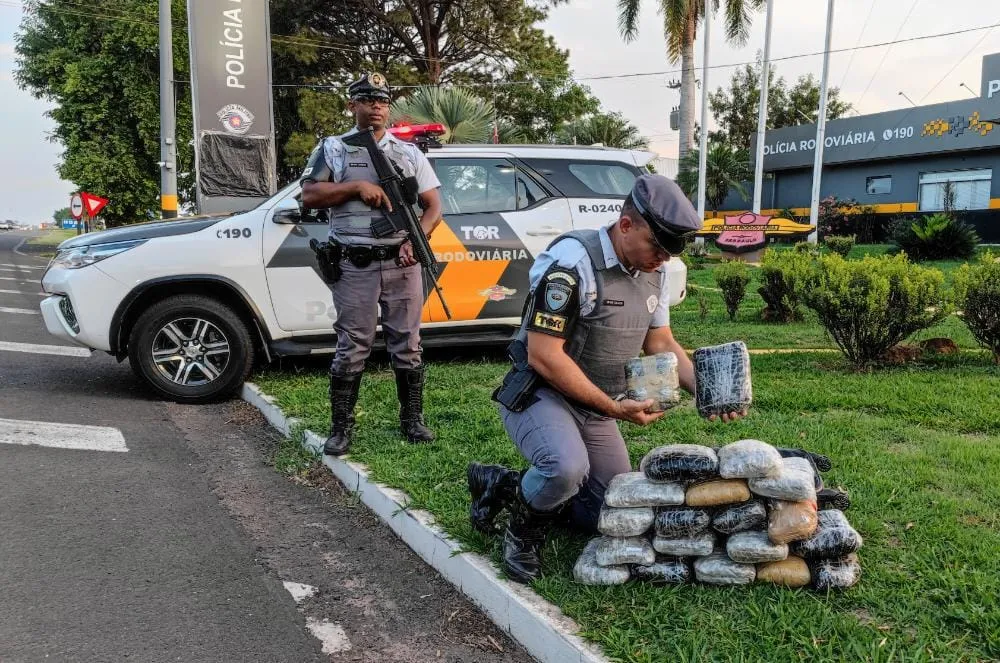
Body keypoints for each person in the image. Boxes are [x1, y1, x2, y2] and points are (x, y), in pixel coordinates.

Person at [467, 174, 747, 584]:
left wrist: (708, 391)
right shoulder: (570, 263)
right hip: (542, 395)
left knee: (613, 511)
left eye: (670, 251)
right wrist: (613, 408)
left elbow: (660, 340)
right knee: (565, 468)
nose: (662, 258)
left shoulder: (656, 269)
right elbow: (543, 356)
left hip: (596, 407)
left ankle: (502, 483)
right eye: (657, 245)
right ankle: (522, 534)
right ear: (626, 224)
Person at [300, 73, 443, 456]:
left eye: (382, 100)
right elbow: (310, 194)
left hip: (401, 262)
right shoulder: (334, 149)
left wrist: (418, 239)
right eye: (367, 100)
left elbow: (433, 207)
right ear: (353, 106)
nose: (376, 106)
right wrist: (354, 188)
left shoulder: (408, 152)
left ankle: (412, 421)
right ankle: (341, 429)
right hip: (356, 262)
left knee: (408, 343)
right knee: (353, 345)